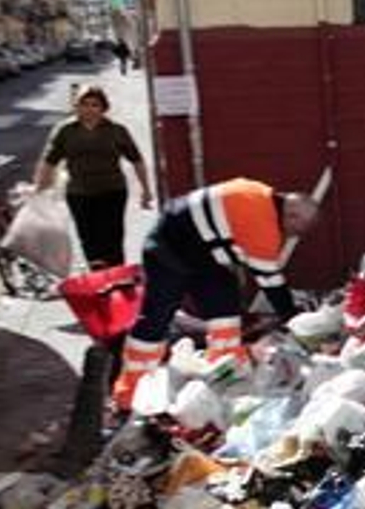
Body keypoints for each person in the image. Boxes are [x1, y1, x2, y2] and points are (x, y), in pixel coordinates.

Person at [112, 178, 319, 409]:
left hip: (192, 248)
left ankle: (225, 368)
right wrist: (293, 320)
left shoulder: (259, 193)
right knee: (156, 318)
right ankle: (130, 390)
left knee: (224, 301)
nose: (295, 237)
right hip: (168, 251)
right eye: (299, 230)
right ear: (291, 215)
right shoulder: (264, 226)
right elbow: (271, 282)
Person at [34, 85, 152, 269]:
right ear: (77, 107)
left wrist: (146, 190)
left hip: (112, 191)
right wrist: (39, 191)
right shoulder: (66, 131)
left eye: (95, 105)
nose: (89, 109)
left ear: (103, 107)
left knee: (113, 238)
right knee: (90, 241)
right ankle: (98, 281)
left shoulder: (116, 130)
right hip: (79, 194)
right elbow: (50, 162)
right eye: (84, 104)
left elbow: (137, 160)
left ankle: (117, 278)